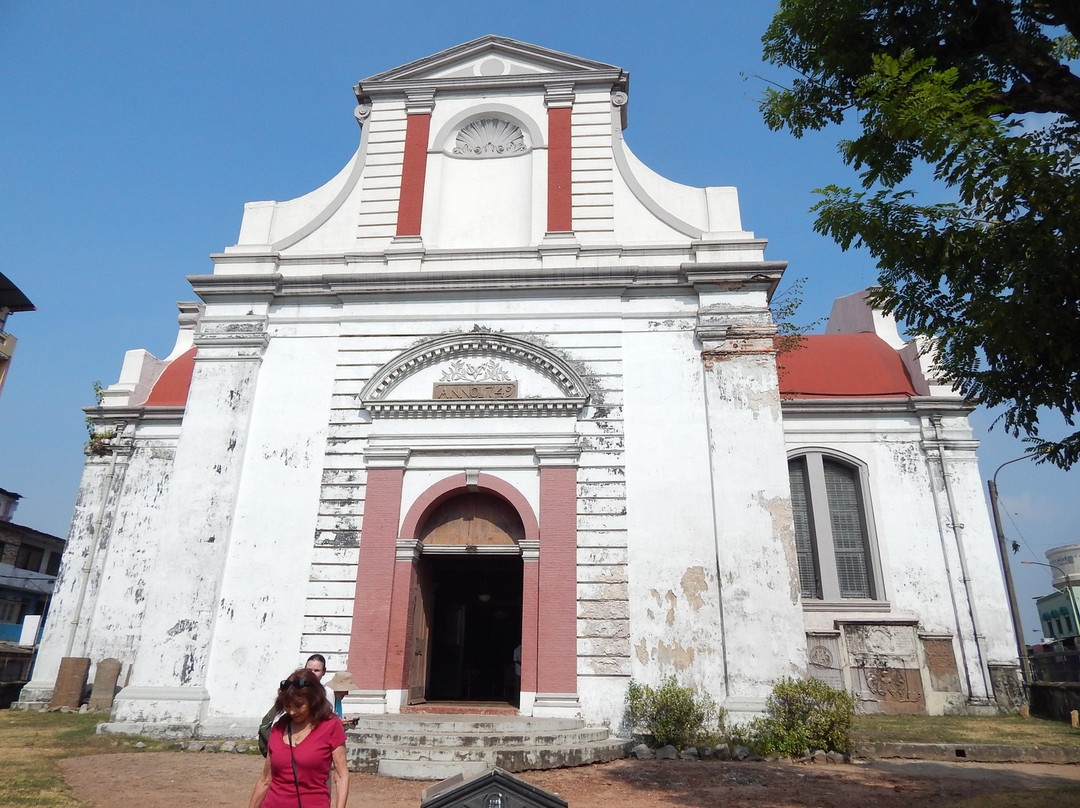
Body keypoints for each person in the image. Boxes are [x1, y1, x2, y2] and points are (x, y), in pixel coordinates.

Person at [247, 668, 349, 808]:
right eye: (287, 706)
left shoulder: (331, 726)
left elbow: (341, 775)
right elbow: (265, 779)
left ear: (314, 700)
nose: (292, 712)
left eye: (299, 705)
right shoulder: (278, 728)